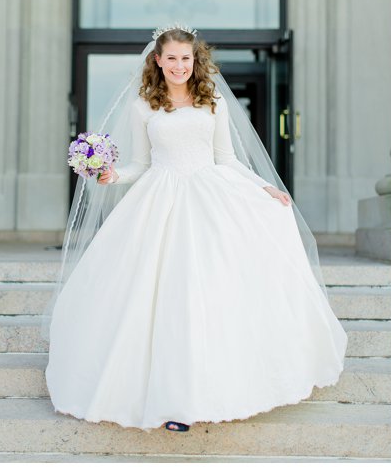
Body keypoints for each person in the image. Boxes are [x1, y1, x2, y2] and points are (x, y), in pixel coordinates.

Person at [45, 26, 347, 432]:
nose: (179, 66)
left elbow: (227, 158)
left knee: (209, 292)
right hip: (159, 200)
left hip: (210, 197)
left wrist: (265, 188)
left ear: (195, 60)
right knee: (165, 296)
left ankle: (214, 389)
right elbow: (141, 164)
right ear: (158, 60)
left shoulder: (213, 101)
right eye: (171, 58)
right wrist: (111, 176)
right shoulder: (143, 106)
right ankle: (171, 399)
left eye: (185, 58)